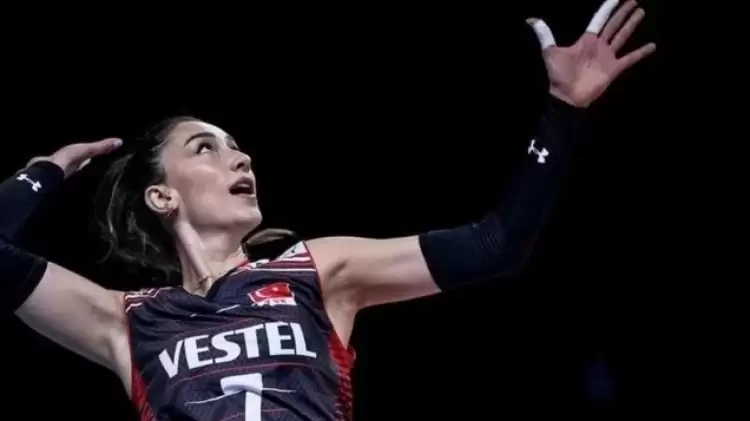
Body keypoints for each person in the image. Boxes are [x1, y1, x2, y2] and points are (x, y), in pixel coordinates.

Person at [0, 1, 654, 420]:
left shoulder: (316, 270)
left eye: (237, 146)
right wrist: (42, 172)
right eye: (206, 148)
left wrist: (564, 111)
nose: (240, 158)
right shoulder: (126, 320)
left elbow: (497, 244)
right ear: (162, 195)